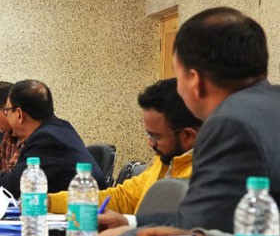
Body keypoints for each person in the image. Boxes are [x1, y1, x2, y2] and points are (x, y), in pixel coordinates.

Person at [134, 7, 280, 233]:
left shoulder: (228, 124)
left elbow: (196, 231)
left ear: (194, 80)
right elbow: (216, 213)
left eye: (177, 73)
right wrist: (130, 223)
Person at [50, 78, 200, 227]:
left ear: (188, 136)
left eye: (156, 137)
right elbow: (122, 198)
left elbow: (188, 224)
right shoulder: (165, 160)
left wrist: (128, 223)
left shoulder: (208, 173)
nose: (150, 143)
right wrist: (50, 202)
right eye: (149, 136)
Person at [0, 80, 104, 197]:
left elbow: (15, 184)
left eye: (7, 111)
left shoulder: (47, 140)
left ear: (19, 114)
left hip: (79, 215)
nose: (6, 116)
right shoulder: (58, 128)